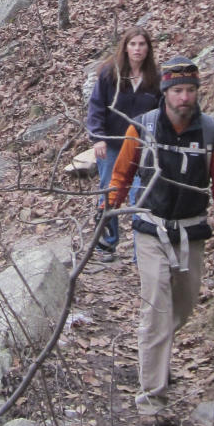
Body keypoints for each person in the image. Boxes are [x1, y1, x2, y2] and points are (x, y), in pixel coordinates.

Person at [106, 56, 214, 421]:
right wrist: (108, 212)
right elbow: (122, 173)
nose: (184, 98)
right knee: (157, 310)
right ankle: (151, 403)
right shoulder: (144, 127)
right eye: (178, 90)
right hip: (151, 228)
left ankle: (156, 355)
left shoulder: (212, 132)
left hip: (191, 230)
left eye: (191, 90)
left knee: (183, 307)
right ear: (165, 92)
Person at [86, 27, 161, 262]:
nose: (137, 49)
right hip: (112, 143)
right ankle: (106, 244)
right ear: (125, 47)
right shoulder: (110, 74)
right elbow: (96, 107)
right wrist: (97, 137)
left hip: (142, 146)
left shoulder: (155, 79)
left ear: (148, 48)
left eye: (142, 44)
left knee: (140, 196)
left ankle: (143, 253)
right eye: (133, 44)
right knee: (110, 192)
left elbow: (161, 113)